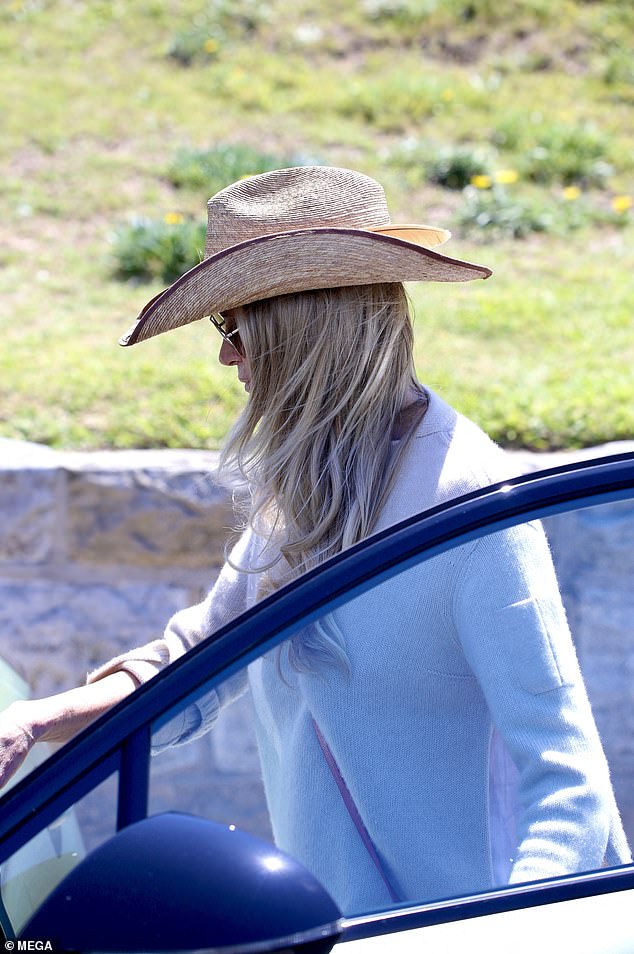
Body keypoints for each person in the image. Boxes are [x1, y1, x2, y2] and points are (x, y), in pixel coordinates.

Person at [0, 166, 630, 914]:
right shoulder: (305, 488)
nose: (225, 357)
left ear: (303, 329)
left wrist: (501, 935)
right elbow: (196, 663)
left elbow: (566, 773)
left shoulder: (468, 507)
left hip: (455, 929)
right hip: (344, 927)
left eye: (233, 327)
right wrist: (36, 720)